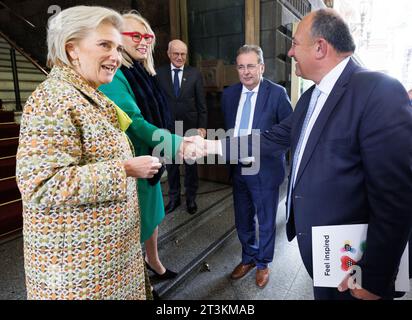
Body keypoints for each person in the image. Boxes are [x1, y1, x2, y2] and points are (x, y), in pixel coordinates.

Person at [197, 8, 412, 300]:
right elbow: (271, 138)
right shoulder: (310, 97)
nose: (290, 51)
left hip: (355, 262)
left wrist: (373, 278)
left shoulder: (377, 90)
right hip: (323, 254)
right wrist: (214, 146)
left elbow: (395, 197)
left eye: (296, 43)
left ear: (320, 47)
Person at [15, 6, 163, 300]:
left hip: (104, 268)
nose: (116, 57)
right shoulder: (53, 99)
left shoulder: (85, 93)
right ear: (72, 49)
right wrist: (125, 169)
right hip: (79, 278)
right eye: (104, 45)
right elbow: (41, 185)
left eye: (118, 48)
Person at [100, 11, 181, 281]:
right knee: (137, 226)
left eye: (148, 36)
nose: (144, 41)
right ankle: (140, 281)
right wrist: (177, 143)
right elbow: (134, 122)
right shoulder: (116, 75)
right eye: (136, 35)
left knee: (153, 216)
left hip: (150, 160)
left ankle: (154, 262)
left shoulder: (143, 70)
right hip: (133, 164)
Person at [221, 45, 292, 288]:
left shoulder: (277, 94)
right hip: (239, 169)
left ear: (261, 67)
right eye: (241, 66)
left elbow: (288, 133)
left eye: (251, 66)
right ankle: (248, 257)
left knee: (265, 219)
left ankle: (263, 263)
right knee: (242, 218)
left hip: (264, 169)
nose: (246, 72)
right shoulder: (229, 94)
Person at [156, 40, 208, 215]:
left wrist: (202, 127)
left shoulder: (194, 74)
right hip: (168, 128)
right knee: (171, 165)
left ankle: (191, 198)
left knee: (191, 165)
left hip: (190, 128)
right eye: (176, 54)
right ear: (169, 54)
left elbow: (202, 103)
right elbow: (156, 102)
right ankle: (174, 198)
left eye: (183, 54)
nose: (179, 57)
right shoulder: (158, 73)